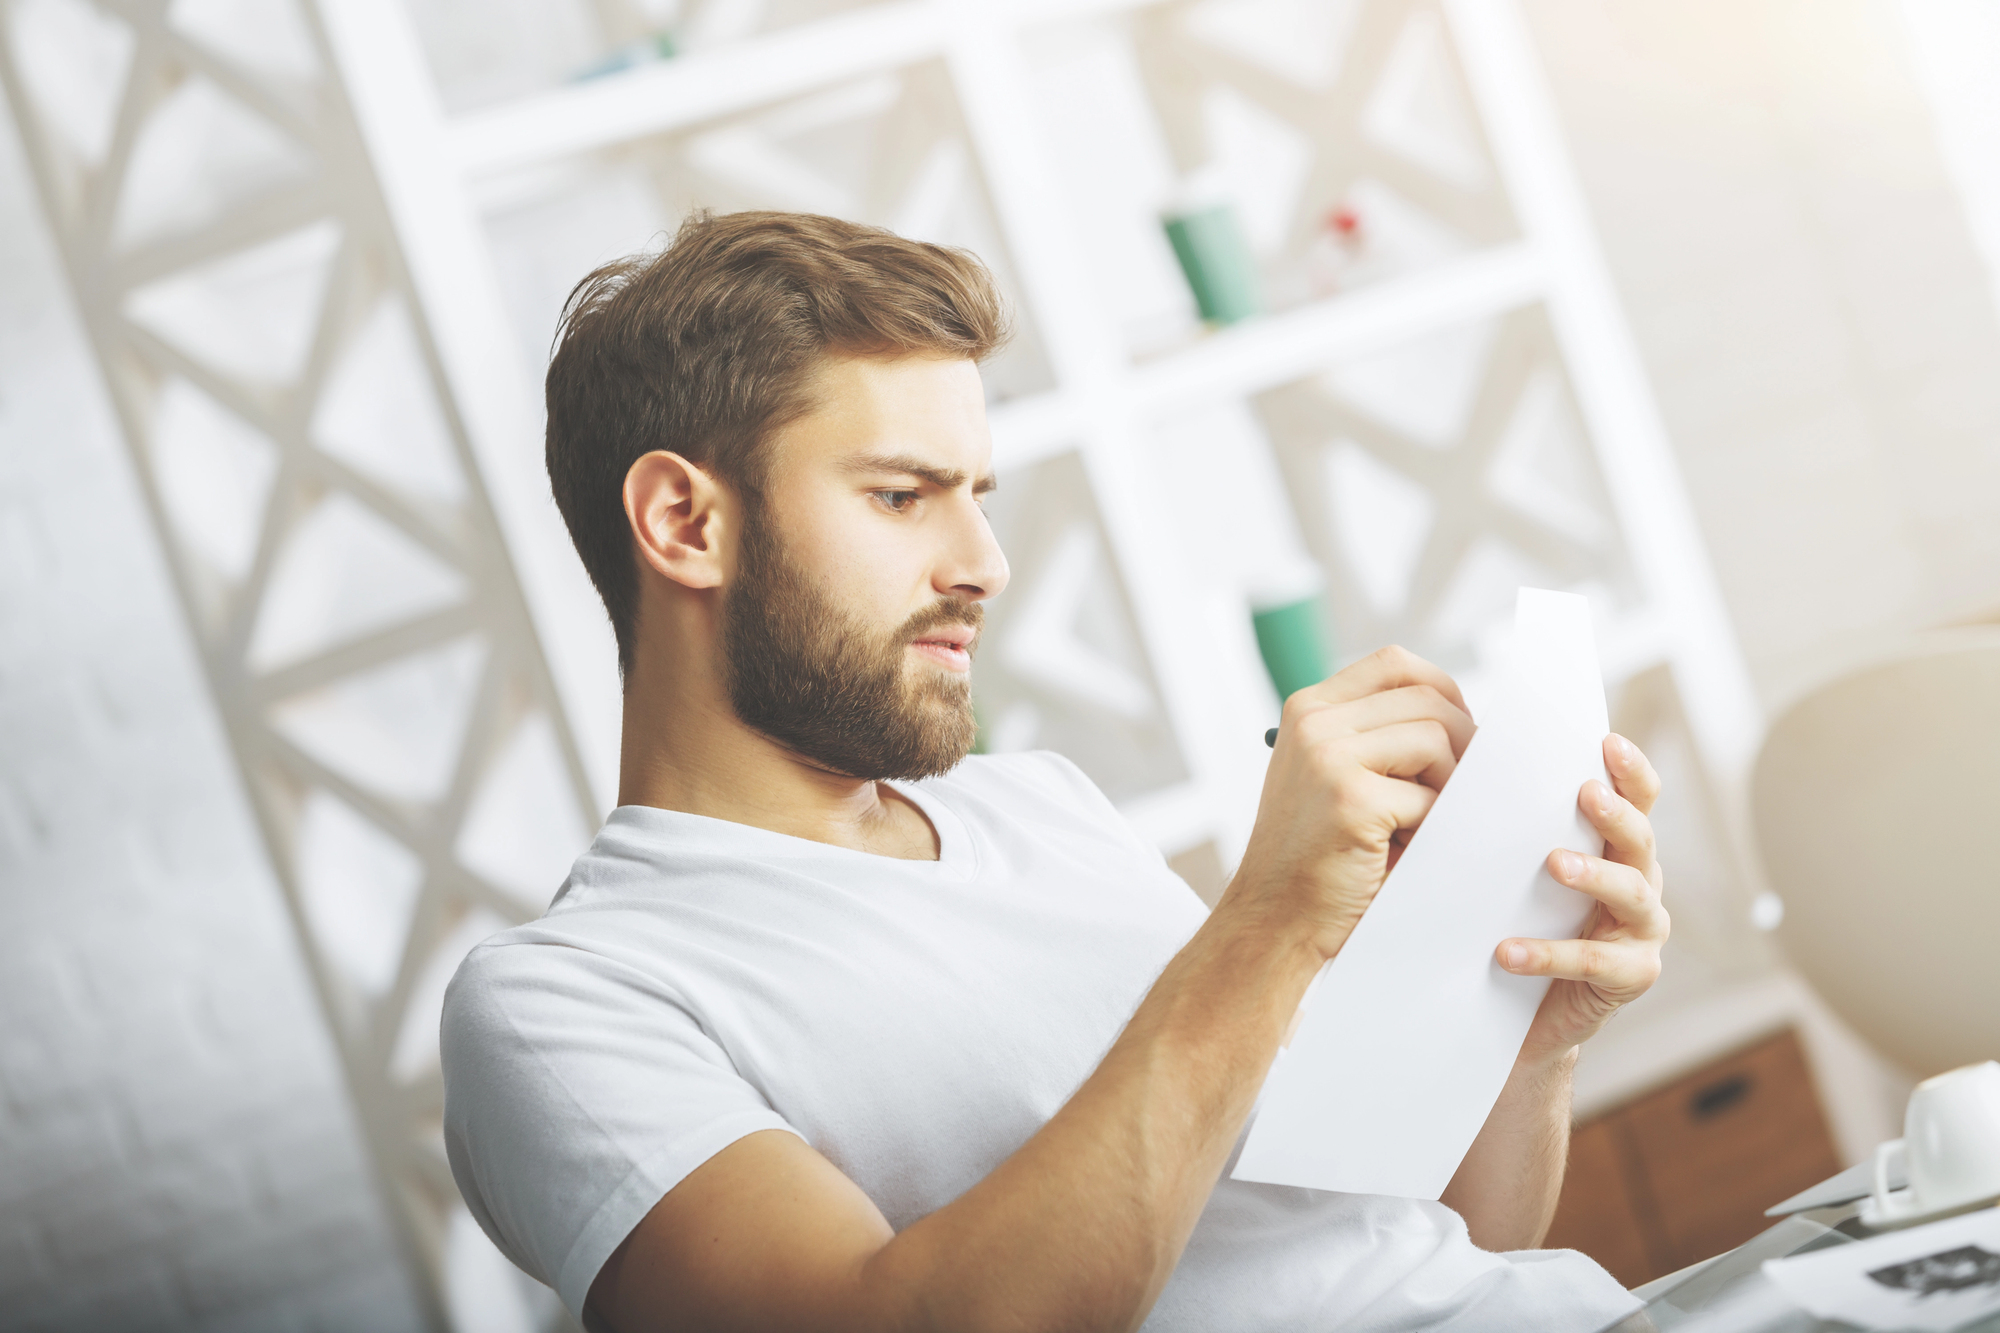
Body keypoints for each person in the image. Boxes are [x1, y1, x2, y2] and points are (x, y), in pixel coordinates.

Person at [441, 210, 1667, 1333]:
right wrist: (1266, 925)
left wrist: (1527, 1041)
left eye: (977, 495)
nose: (982, 562)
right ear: (683, 524)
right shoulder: (566, 1003)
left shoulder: (1042, 805)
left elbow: (1418, 1250)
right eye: (901, 496)